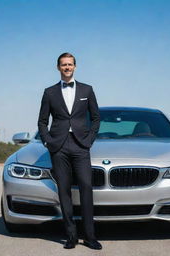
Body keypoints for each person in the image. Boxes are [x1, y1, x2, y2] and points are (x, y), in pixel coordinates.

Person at [37, 53, 102, 250]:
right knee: (63, 190)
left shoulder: (87, 90)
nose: (67, 67)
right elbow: (42, 121)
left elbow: (96, 118)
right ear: (58, 67)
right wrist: (48, 141)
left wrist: (89, 140)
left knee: (86, 187)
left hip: (81, 146)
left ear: (75, 66)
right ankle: (71, 236)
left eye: (70, 64)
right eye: (64, 65)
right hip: (59, 147)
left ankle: (90, 237)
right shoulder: (49, 92)